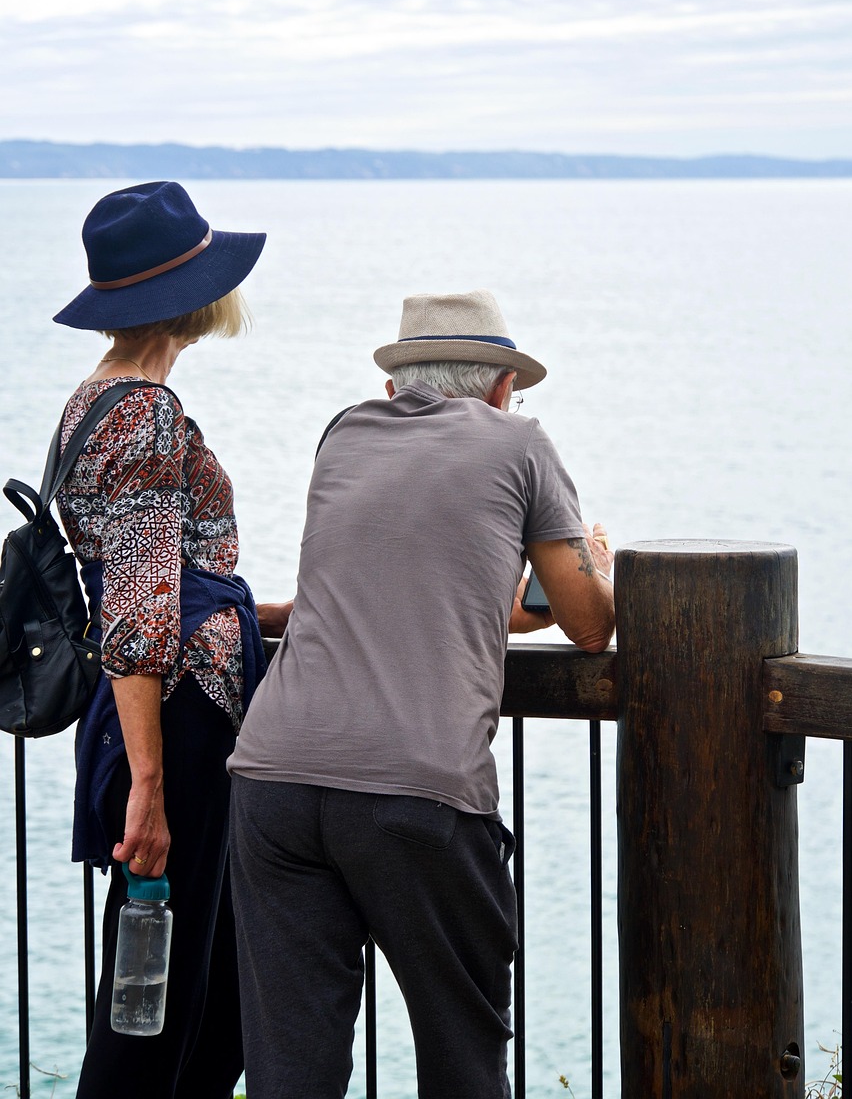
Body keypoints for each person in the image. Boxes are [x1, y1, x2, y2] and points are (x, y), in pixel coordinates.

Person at [228, 288, 615, 1099]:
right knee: (462, 1052)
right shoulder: (521, 442)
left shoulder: (345, 432)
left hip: (274, 781)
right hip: (417, 793)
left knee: (290, 1065)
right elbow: (588, 625)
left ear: (396, 385)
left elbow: (410, 585)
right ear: (502, 386)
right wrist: (598, 565)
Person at [52, 180, 268, 1099]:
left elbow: (157, 586)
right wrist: (149, 787)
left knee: (203, 987)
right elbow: (139, 620)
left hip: (159, 711)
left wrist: (270, 614)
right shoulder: (144, 415)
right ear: (188, 296)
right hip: (174, 724)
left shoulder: (89, 401)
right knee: (162, 996)